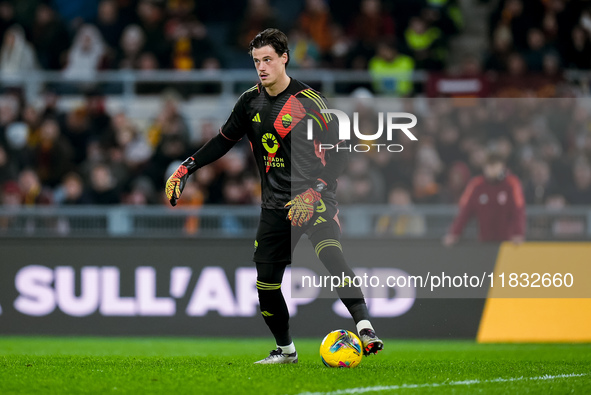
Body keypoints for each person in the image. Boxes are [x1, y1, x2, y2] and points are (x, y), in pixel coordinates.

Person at [165, 28, 383, 364]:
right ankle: (286, 350)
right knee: (266, 284)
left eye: (268, 59)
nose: (262, 67)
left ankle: (365, 328)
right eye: (256, 61)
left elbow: (341, 150)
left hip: (314, 198)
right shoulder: (249, 101)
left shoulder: (309, 102)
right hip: (274, 206)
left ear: (284, 58)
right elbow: (223, 140)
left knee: (330, 255)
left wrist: (317, 190)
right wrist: (186, 168)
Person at [443, 152, 526, 246]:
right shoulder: (476, 185)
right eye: (489, 166)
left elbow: (518, 210)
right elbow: (464, 212)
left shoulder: (512, 184)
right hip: (484, 241)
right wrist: (454, 233)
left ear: (502, 166)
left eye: (495, 165)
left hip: (507, 243)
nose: (492, 169)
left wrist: (518, 233)